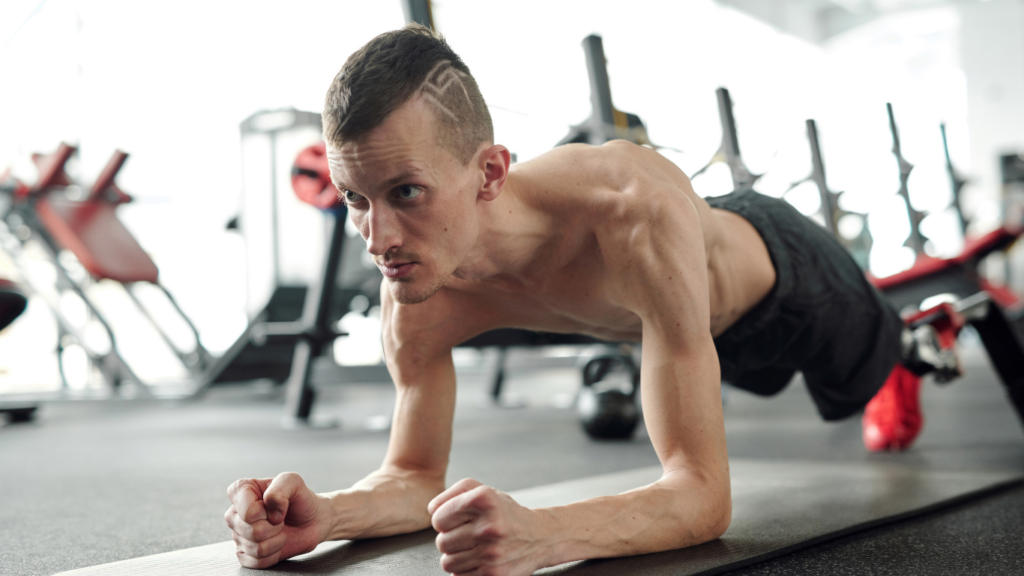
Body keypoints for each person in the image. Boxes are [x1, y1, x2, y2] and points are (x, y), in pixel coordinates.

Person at [224, 24, 922, 574]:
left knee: (881, 363)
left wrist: (541, 535)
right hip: (660, 333)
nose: (377, 238)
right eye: (356, 199)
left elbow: (704, 496)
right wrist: (330, 515)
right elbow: (410, 476)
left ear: (490, 172)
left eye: (406, 192)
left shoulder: (631, 210)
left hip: (784, 285)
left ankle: (912, 346)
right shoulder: (415, 287)